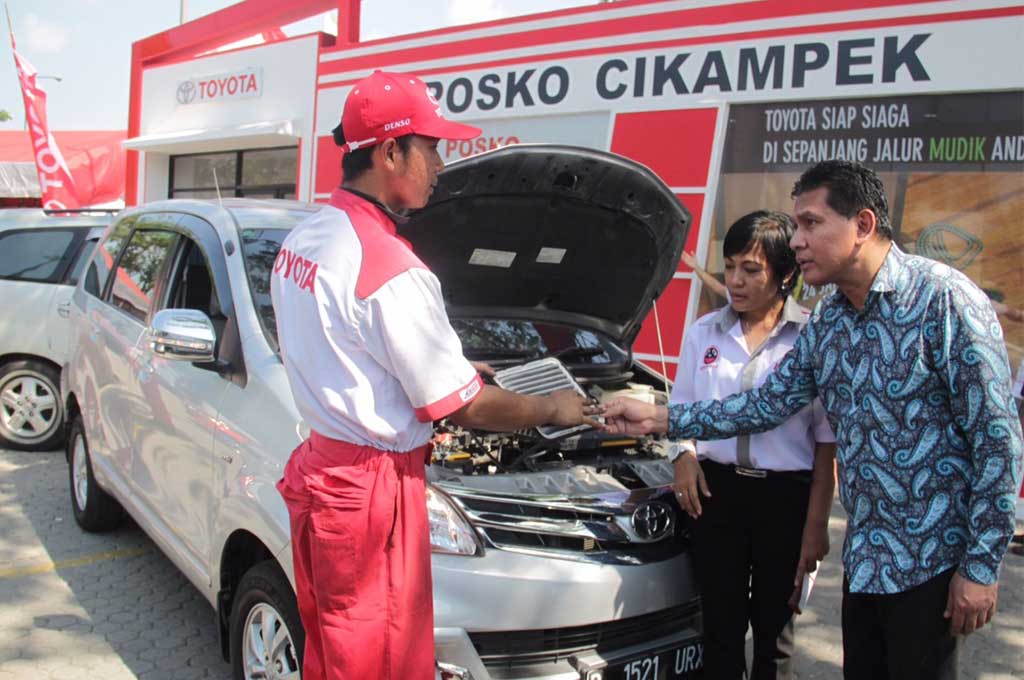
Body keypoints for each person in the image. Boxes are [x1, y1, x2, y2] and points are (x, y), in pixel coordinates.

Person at [604, 160, 1023, 680]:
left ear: (863, 226)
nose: (796, 240)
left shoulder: (944, 301)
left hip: (933, 564)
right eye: (796, 224)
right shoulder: (831, 318)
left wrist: (980, 567)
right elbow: (764, 405)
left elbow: (998, 442)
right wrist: (660, 419)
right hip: (867, 561)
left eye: (810, 223)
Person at [270, 70, 600, 680]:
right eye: (432, 147)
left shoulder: (306, 239)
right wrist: (555, 408)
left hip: (324, 472)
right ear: (391, 151)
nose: (442, 164)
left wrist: (440, 370)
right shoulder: (392, 268)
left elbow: (345, 347)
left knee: (332, 651)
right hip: (373, 494)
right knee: (383, 662)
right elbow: (466, 410)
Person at [670, 210, 836, 680]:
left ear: (786, 274)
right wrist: (683, 455)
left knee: (774, 635)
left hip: (784, 499)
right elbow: (682, 406)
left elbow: (827, 444)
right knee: (719, 631)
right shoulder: (705, 332)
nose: (736, 281)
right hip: (714, 496)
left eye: (752, 269)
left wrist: (816, 526)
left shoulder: (811, 340)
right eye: (730, 266)